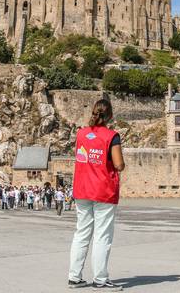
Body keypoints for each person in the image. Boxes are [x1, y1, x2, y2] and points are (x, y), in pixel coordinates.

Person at [67, 99, 125, 290]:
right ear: (109, 115)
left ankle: (74, 277)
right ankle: (100, 279)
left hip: (82, 189)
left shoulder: (81, 134)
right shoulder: (112, 136)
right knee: (102, 235)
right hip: (103, 190)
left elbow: (82, 157)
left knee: (81, 233)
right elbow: (119, 165)